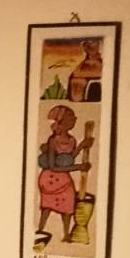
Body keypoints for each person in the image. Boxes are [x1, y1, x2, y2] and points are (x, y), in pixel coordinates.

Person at [35, 103, 79, 247]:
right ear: (61, 121)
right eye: (70, 117)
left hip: (64, 177)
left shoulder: (72, 140)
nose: (74, 119)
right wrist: (78, 167)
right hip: (51, 178)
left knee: (68, 203)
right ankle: (40, 230)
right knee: (47, 207)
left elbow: (69, 159)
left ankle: (66, 234)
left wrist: (81, 146)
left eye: (73, 117)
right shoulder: (53, 140)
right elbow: (54, 166)